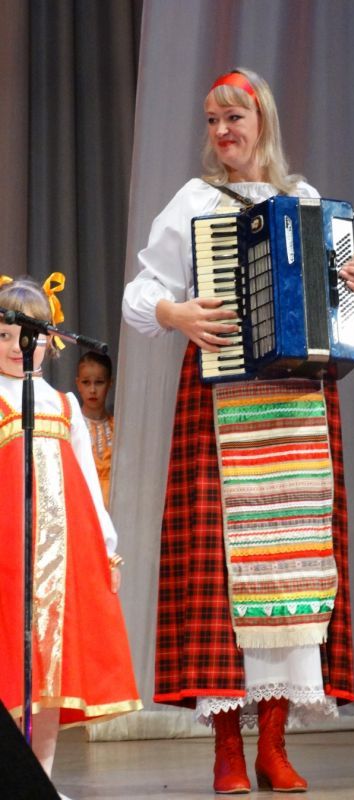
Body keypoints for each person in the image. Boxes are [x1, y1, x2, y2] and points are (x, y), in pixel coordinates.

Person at [123, 67, 354, 794]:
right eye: (212, 120)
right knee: (223, 570)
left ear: (262, 121)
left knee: (291, 566)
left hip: (297, 407)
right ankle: (228, 749)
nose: (222, 131)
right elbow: (142, 290)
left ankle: (274, 746)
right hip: (224, 399)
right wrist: (173, 312)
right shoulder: (195, 202)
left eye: (234, 117)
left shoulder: (305, 201)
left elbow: (337, 317)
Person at [0, 274, 142, 798]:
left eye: (28, 335)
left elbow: (85, 481)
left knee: (50, 679)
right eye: (3, 335)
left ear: (51, 341)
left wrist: (108, 549)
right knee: (10, 669)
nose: (16, 346)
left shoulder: (63, 405)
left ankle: (41, 779)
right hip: (8, 559)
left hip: (61, 563)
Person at [75, 351, 114, 508]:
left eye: (99, 382)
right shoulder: (72, 426)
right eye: (86, 382)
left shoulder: (118, 428)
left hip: (116, 506)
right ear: (78, 384)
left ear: (109, 384)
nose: (92, 390)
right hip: (83, 504)